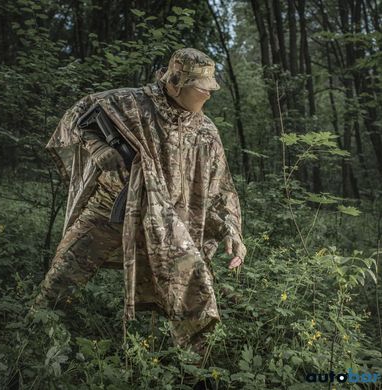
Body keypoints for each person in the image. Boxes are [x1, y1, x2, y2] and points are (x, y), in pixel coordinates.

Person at [31, 47, 247, 385]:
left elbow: (221, 190)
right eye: (200, 85)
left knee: (195, 294)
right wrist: (99, 148)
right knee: (60, 279)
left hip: (169, 227)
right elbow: (78, 117)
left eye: (210, 85)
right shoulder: (129, 104)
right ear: (176, 84)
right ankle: (30, 349)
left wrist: (233, 232)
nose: (208, 91)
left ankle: (194, 374)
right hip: (109, 211)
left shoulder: (206, 131)